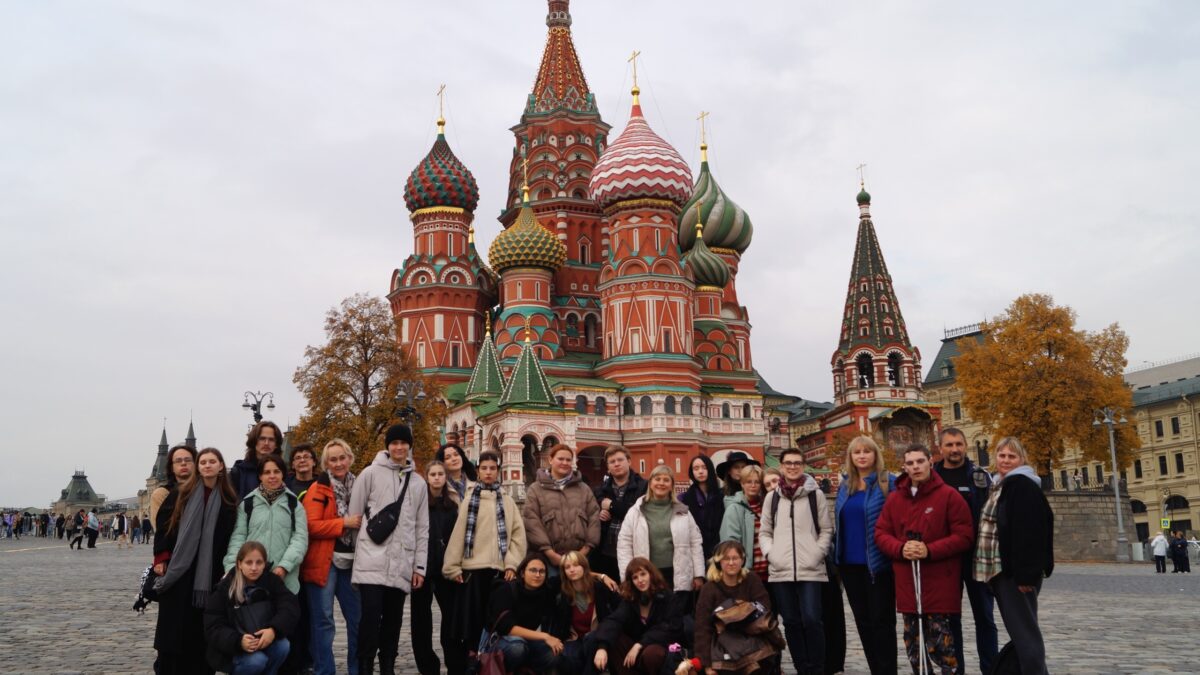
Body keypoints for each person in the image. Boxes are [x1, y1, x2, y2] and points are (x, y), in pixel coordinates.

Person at [876, 444, 973, 675]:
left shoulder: (948, 495)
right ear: (904, 466)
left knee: (943, 646)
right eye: (910, 463)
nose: (915, 467)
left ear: (930, 461)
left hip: (939, 584)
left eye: (920, 461)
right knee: (914, 645)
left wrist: (929, 550)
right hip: (909, 584)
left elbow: (964, 536)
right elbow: (881, 533)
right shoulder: (895, 498)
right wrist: (900, 549)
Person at [348, 424, 429, 675]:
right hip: (371, 559)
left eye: (403, 443)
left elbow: (421, 527)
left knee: (393, 621)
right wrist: (361, 549)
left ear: (409, 446)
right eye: (394, 443)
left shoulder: (418, 483)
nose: (399, 447)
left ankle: (387, 667)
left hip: (402, 563)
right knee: (370, 618)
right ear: (387, 446)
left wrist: (419, 566)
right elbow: (355, 515)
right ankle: (365, 666)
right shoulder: (370, 474)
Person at [154, 447, 240, 675]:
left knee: (202, 633)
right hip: (180, 571)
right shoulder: (181, 493)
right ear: (198, 467)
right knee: (173, 635)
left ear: (221, 466)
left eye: (213, 461)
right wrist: (161, 557)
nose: (207, 465)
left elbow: (234, 536)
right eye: (203, 462)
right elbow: (164, 526)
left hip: (211, 574)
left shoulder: (229, 499)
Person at [974, 437, 1053, 675]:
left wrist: (1026, 574)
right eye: (1002, 455)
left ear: (1021, 460)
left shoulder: (1022, 485)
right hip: (1001, 572)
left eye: (1012, 456)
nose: (1005, 460)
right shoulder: (1001, 485)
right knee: (1021, 634)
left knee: (1025, 635)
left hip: (1015, 575)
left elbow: (1030, 531)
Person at [442, 451, 526, 662]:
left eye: (492, 468)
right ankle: (474, 663)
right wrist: (452, 566)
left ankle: (494, 663)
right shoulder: (470, 499)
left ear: (498, 471)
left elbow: (518, 535)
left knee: (496, 623)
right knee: (473, 625)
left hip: (499, 572)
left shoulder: (507, 500)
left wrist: (511, 564)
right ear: (478, 471)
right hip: (474, 570)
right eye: (484, 468)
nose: (488, 472)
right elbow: (459, 533)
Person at [759, 448, 833, 675]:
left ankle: (817, 669)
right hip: (781, 569)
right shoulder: (772, 497)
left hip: (810, 568)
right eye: (788, 463)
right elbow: (765, 531)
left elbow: (826, 529)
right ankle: (802, 668)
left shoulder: (814, 495)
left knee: (812, 620)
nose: (792, 466)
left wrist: (817, 553)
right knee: (790, 622)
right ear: (781, 466)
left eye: (797, 463)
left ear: (803, 466)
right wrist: (772, 554)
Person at [934, 427, 997, 675]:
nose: (955, 449)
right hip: (946, 560)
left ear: (966, 446)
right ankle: (954, 669)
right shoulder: (932, 478)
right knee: (950, 620)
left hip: (976, 558)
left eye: (959, 444)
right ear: (940, 448)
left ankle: (990, 669)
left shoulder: (980, 477)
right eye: (949, 445)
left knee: (985, 618)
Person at [834, 436, 897, 675]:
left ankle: (887, 670)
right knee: (863, 622)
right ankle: (875, 669)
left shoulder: (887, 483)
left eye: (866, 451)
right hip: (850, 565)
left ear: (875, 455)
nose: (861, 456)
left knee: (882, 623)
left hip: (878, 564)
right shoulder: (845, 486)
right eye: (856, 452)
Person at [299, 439, 362, 675]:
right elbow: (310, 525)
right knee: (324, 623)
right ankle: (325, 671)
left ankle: (357, 669)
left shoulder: (360, 485)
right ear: (326, 463)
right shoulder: (318, 488)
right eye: (333, 459)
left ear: (349, 458)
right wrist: (342, 523)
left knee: (357, 620)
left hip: (353, 562)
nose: (338, 463)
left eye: (342, 457)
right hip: (323, 563)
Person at [204, 541, 300, 675]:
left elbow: (289, 606)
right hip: (236, 648)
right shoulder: (226, 587)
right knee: (256, 661)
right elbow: (213, 625)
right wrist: (238, 641)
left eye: (259, 562)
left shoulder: (272, 581)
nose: (254, 568)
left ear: (264, 564)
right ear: (239, 564)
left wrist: (273, 630)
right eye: (249, 562)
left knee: (283, 647)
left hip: (263, 638)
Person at [224, 455, 310, 596]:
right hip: (251, 579)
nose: (272, 476)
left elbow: (300, 539)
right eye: (267, 472)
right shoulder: (248, 503)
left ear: (283, 474)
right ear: (260, 476)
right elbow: (238, 538)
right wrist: (232, 567)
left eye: (276, 471)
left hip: (284, 581)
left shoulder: (294, 504)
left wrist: (284, 566)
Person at [694, 541, 782, 675]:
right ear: (719, 562)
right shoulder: (709, 588)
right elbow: (702, 627)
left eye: (735, 558)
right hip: (722, 645)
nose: (731, 563)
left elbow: (765, 609)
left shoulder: (752, 579)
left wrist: (741, 615)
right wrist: (707, 665)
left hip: (751, 638)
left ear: (742, 560)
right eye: (726, 559)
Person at [411, 460, 465, 675]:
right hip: (422, 570)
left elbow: (455, 538)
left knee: (451, 619)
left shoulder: (451, 507)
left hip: (445, 570)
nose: (436, 477)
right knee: (421, 621)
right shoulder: (419, 504)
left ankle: (455, 662)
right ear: (427, 476)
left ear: (445, 477)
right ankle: (427, 666)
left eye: (440, 474)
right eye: (432, 474)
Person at [617, 464, 705, 594]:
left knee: (674, 612)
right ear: (650, 483)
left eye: (666, 480)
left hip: (676, 574)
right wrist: (627, 577)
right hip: (645, 574)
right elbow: (624, 545)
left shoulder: (682, 511)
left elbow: (695, 543)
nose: (661, 483)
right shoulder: (636, 511)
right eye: (657, 479)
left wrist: (698, 574)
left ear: (671, 485)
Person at [592, 558, 686, 675]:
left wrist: (640, 644)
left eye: (643, 574)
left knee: (651, 654)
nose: (640, 580)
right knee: (613, 639)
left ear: (651, 574)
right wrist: (602, 647)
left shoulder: (668, 597)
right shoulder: (630, 600)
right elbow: (614, 620)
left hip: (660, 647)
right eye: (635, 577)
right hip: (636, 649)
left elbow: (671, 627)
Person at [522, 444, 601, 574]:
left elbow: (594, 518)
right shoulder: (535, 489)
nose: (565, 463)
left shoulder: (583, 489)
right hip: (549, 560)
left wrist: (584, 551)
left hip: (579, 558)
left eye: (568, 460)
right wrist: (550, 554)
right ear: (550, 460)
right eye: (560, 459)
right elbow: (532, 522)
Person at [485, 552, 565, 672]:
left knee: (554, 652)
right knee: (518, 648)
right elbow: (507, 628)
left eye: (542, 571)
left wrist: (602, 577)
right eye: (533, 570)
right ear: (522, 573)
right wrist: (545, 636)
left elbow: (573, 574)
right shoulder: (506, 589)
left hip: (526, 640)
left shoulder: (545, 590)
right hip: (499, 641)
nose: (537, 575)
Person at [557, 550, 619, 675]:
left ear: (584, 567)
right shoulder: (562, 590)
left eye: (576, 565)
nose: (572, 570)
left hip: (597, 636)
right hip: (574, 638)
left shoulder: (599, 588)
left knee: (590, 640)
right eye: (567, 567)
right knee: (569, 657)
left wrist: (602, 576)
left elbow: (618, 612)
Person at [593, 445, 647, 580]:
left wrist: (611, 506)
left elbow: (637, 515)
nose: (616, 464)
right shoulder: (600, 490)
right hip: (606, 552)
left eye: (620, 460)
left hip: (634, 551)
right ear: (608, 467)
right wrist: (600, 515)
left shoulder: (644, 487)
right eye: (612, 462)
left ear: (629, 461)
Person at [719, 464, 770, 583]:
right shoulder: (734, 509)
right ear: (742, 484)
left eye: (757, 482)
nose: (753, 485)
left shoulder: (767, 506)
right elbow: (730, 543)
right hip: (747, 573)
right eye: (748, 482)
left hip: (771, 572)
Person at [679, 454, 725, 561]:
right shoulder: (684, 498)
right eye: (696, 468)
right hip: (695, 550)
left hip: (719, 549)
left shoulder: (721, 496)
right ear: (692, 472)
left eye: (704, 467)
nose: (700, 471)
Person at [231, 421, 285, 500]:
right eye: (262, 438)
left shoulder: (284, 472)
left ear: (276, 444)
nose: (266, 443)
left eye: (271, 439)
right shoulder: (238, 472)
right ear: (254, 441)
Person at [153, 444, 197, 527]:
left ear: (196, 464)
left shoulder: (205, 489)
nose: (183, 463)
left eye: (188, 460)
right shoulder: (162, 494)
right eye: (178, 461)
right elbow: (161, 529)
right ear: (172, 467)